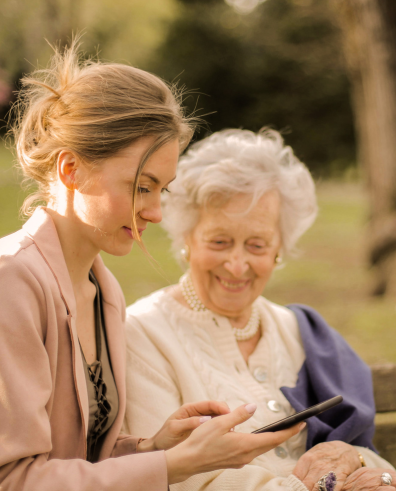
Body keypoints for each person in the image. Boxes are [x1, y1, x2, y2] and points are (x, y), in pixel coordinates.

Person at [0, 46, 303, 491]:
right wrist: (172, 468)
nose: (157, 213)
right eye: (142, 187)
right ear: (70, 169)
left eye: (163, 189)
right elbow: (14, 479)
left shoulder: (103, 289)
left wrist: (155, 447)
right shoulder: (12, 284)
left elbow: (81, 455)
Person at [124, 129, 396, 491]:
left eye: (256, 245)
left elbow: (371, 460)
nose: (237, 265)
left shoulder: (300, 330)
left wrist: (355, 460)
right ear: (188, 239)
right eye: (219, 241)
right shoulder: (142, 334)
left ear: (278, 250)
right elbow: (180, 480)